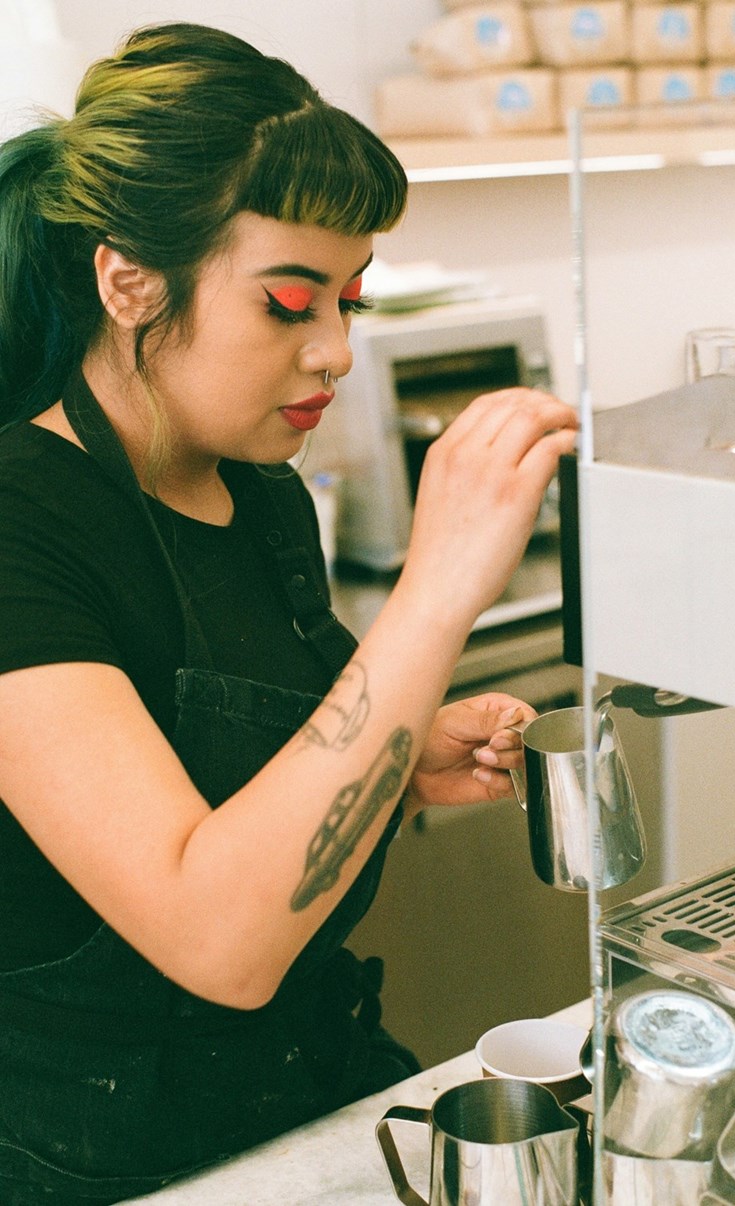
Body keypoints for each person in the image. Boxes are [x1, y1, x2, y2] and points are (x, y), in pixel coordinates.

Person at [0, 21, 578, 1205]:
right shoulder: (22, 526)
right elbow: (217, 939)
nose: (335, 352)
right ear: (128, 281)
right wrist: (437, 591)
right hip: (101, 1158)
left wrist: (399, 749)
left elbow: (241, 760)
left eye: (350, 303)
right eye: (287, 303)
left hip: (310, 1097)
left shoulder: (255, 494)